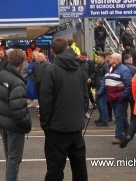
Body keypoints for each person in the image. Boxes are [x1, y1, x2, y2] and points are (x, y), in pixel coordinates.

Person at [39, 37, 88, 181]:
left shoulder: (51, 70)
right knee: (79, 167)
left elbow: (46, 100)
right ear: (67, 48)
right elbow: (84, 96)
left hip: (57, 127)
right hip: (75, 125)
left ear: (53, 52)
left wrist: (45, 123)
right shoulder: (78, 69)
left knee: (55, 168)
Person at [0, 49, 32, 181]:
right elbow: (18, 110)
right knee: (14, 159)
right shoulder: (17, 82)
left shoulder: (0, 75)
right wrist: (28, 124)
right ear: (21, 63)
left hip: (2, 123)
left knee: (9, 157)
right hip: (14, 125)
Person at [96, 53, 132, 144]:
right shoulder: (109, 68)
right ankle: (128, 132)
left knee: (119, 116)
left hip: (120, 97)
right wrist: (99, 93)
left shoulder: (124, 70)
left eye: (112, 58)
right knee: (120, 116)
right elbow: (105, 82)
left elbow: (129, 85)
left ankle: (118, 136)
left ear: (118, 60)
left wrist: (123, 96)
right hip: (112, 96)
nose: (110, 59)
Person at [91, 52, 109, 127]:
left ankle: (105, 121)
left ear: (103, 58)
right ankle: (101, 118)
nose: (97, 59)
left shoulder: (105, 66)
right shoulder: (99, 66)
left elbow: (105, 78)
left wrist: (102, 87)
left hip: (102, 88)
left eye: (99, 58)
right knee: (98, 104)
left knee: (102, 104)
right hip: (98, 86)